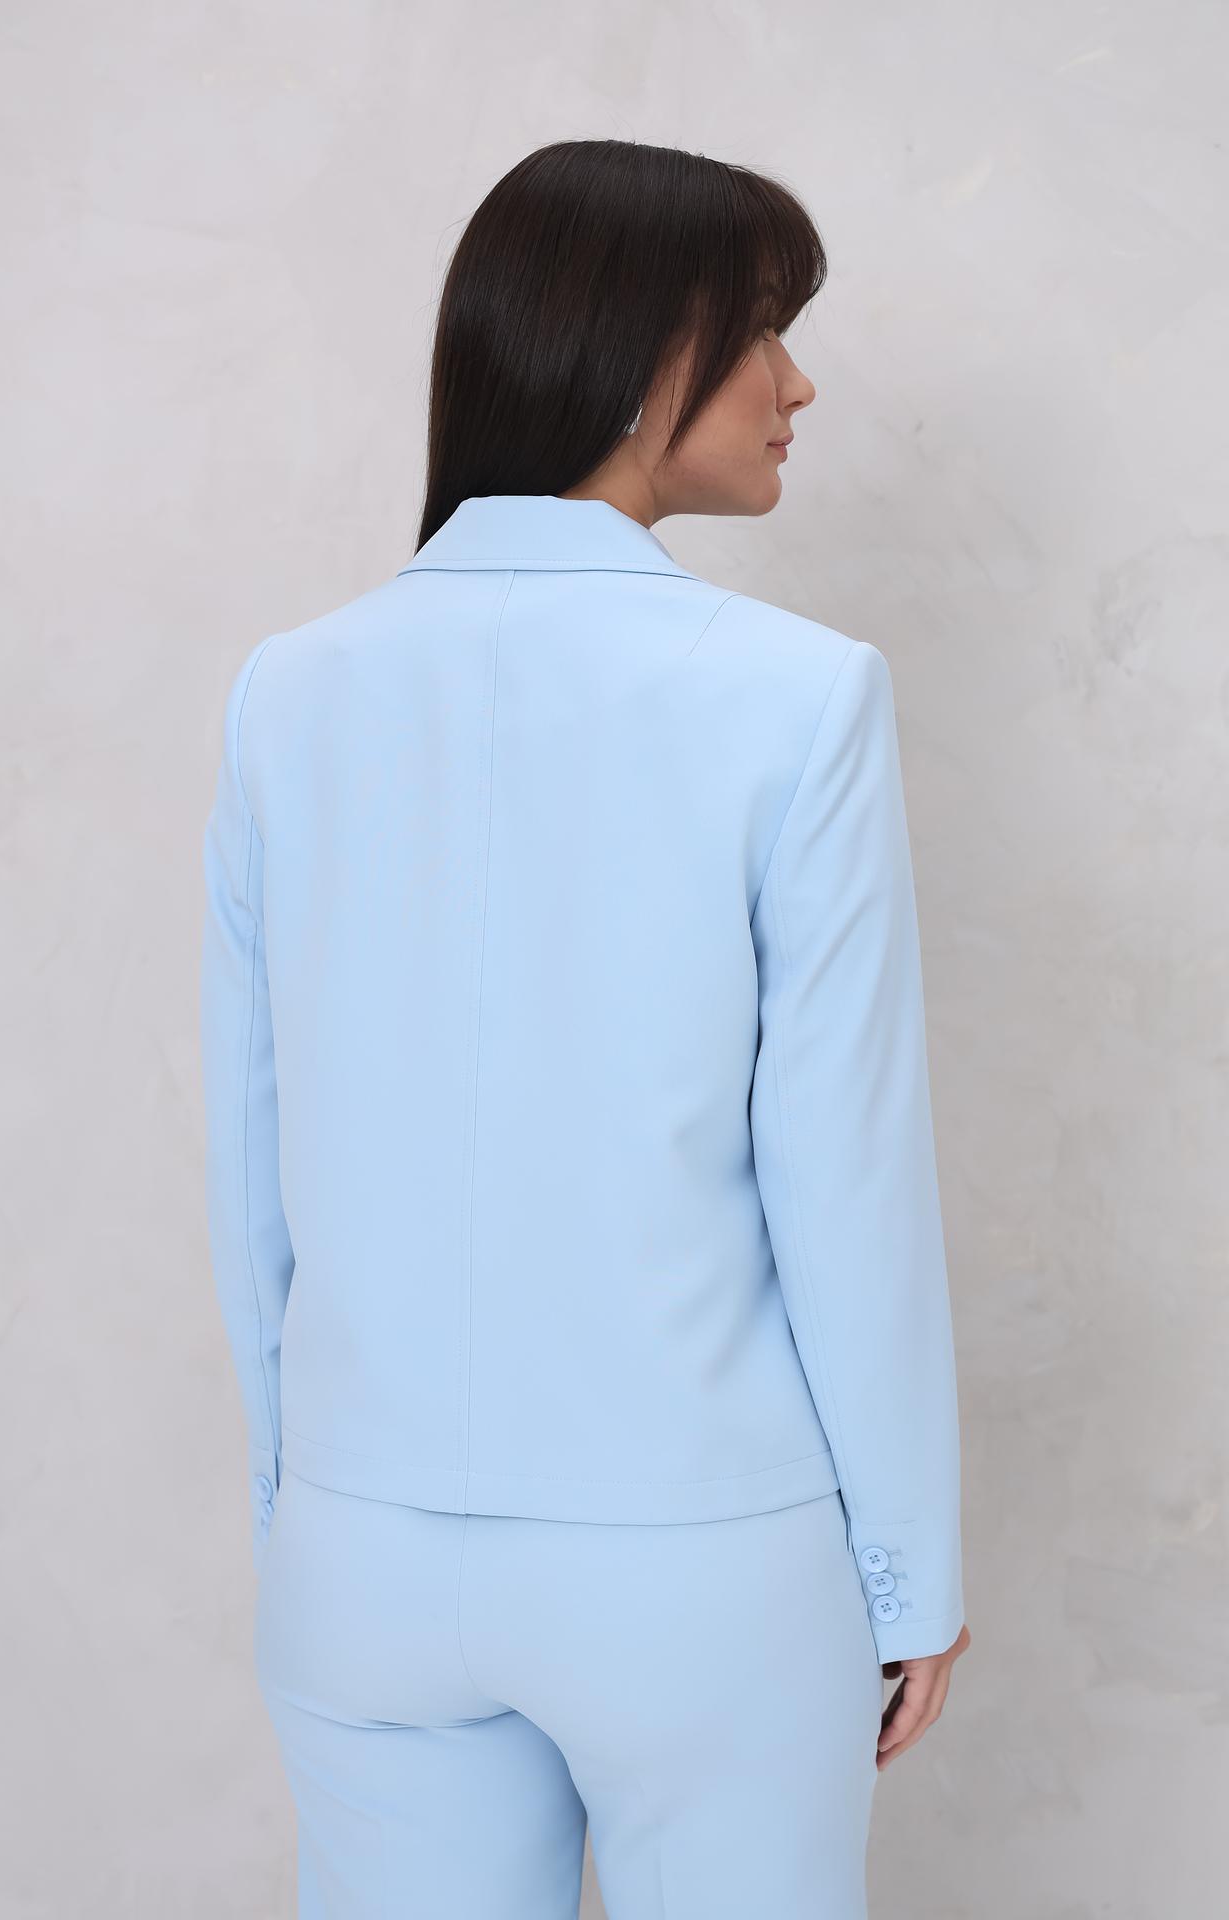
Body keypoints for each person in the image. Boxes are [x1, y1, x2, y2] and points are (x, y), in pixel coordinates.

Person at [199, 137, 970, 1920]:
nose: (796, 384)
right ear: (642, 352)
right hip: (700, 1563)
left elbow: (254, 1168)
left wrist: (300, 1508)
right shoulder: (797, 699)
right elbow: (844, 1181)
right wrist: (906, 1574)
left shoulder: (286, 693)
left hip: (364, 1554)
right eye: (764, 329)